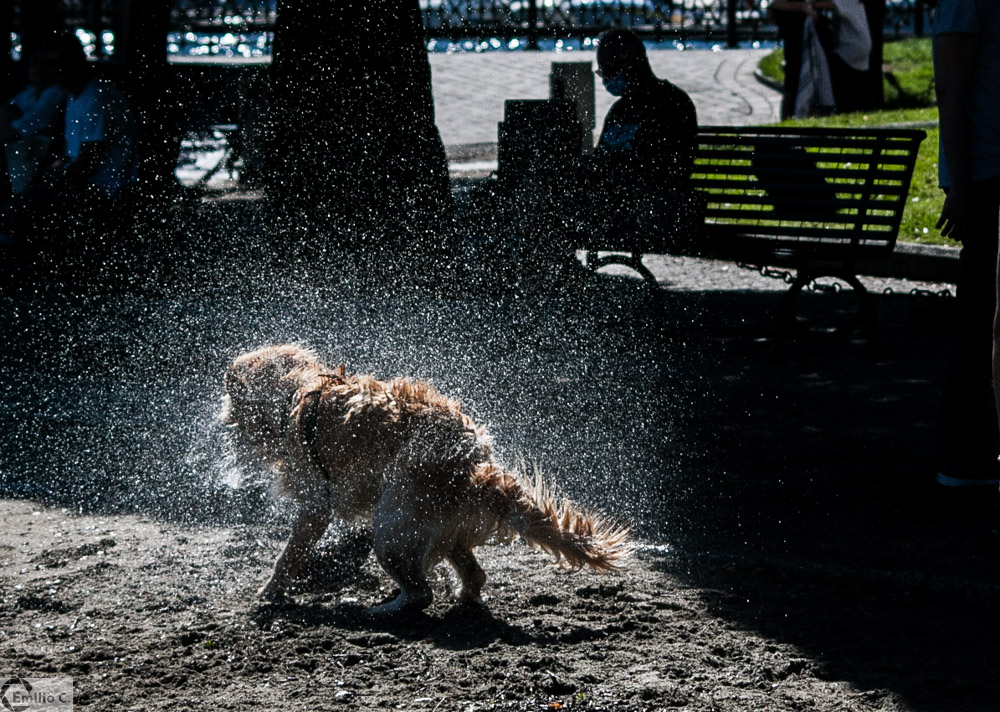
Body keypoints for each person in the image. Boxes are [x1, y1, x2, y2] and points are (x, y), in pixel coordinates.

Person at [932, 0, 1000, 487]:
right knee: (980, 317)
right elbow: (950, 92)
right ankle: (962, 454)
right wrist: (960, 186)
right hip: (988, 174)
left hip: (987, 171)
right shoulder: (965, 3)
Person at [0, 33, 137, 257]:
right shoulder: (75, 96)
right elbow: (71, 153)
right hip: (90, 181)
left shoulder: (95, 98)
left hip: (105, 187)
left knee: (21, 207)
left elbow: (89, 161)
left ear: (77, 62)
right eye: (49, 65)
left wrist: (48, 185)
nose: (53, 71)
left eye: (58, 63)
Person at [1, 42, 68, 196]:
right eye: (34, 62)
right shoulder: (30, 91)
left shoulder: (56, 93)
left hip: (42, 158)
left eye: (44, 63)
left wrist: (10, 127)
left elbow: (27, 126)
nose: (36, 67)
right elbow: (7, 110)